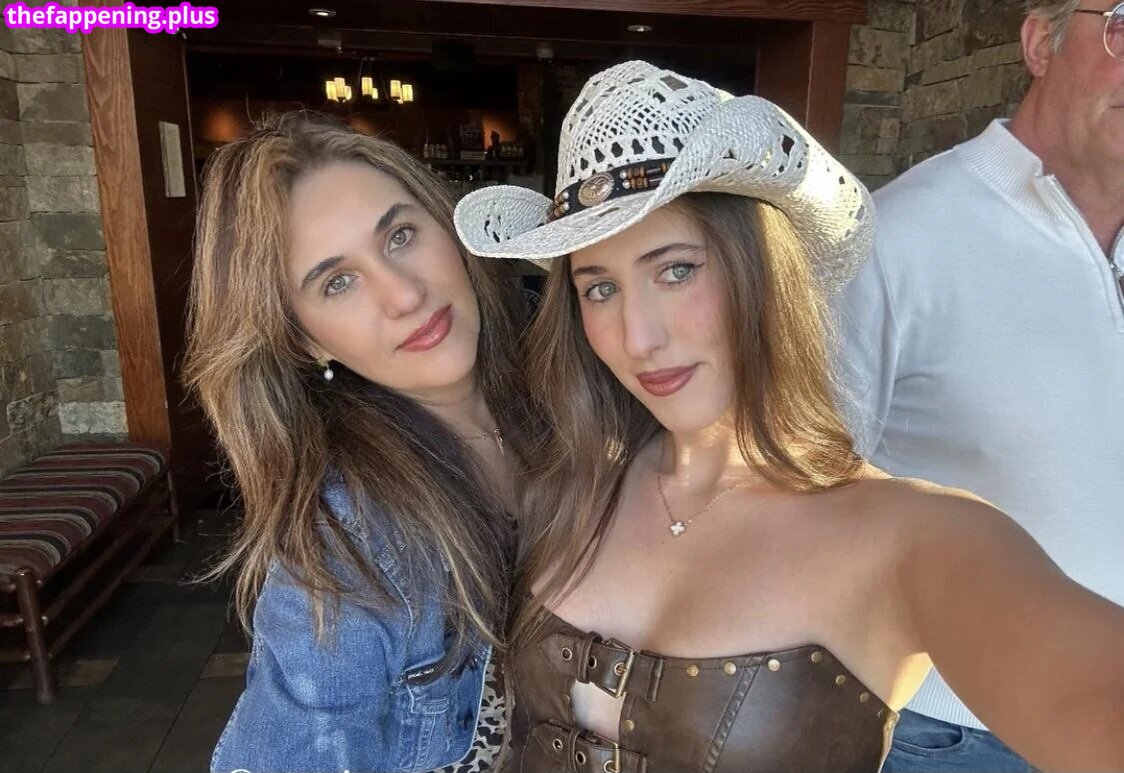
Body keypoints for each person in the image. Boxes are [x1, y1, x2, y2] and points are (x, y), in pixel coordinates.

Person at [452, 60, 1124, 773]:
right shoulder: (566, 486)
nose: (637, 337)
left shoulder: (914, 537)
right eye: (599, 289)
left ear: (765, 271)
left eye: (676, 270)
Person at [185, 112, 536, 773]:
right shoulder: (346, 545)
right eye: (337, 282)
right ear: (304, 340)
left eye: (401, 235)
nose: (404, 294)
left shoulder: (568, 406)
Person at [831, 1, 1124, 769]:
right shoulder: (896, 240)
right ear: (1039, 43)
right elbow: (802, 496)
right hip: (958, 736)